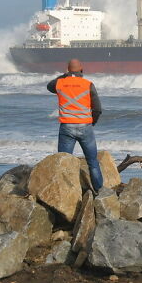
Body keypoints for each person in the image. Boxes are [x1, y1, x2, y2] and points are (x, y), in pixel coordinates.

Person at [47, 59, 104, 192]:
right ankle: (100, 191)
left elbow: (49, 86)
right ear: (81, 70)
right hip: (85, 126)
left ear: (68, 70)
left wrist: (64, 75)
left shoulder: (60, 83)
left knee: (64, 162)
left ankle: (64, 192)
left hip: (67, 127)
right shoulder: (88, 84)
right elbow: (98, 109)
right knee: (93, 162)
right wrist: (92, 122)